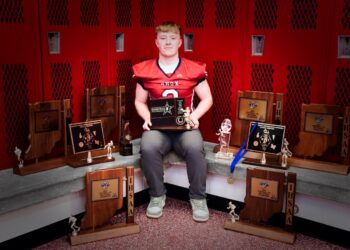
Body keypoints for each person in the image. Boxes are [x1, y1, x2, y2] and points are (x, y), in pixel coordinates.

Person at [133, 21, 213, 222]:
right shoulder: (145, 70)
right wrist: (147, 118)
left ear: (179, 42)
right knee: (148, 146)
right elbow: (139, 101)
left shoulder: (193, 69)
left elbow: (207, 98)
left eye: (172, 38)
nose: (167, 42)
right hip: (159, 128)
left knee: (195, 147)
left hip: (185, 127)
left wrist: (194, 117)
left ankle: (198, 198)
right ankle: (157, 195)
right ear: (156, 42)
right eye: (162, 38)